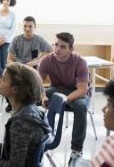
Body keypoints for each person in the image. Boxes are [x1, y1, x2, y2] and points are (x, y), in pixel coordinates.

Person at [38, 32, 89, 163]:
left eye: (62, 47)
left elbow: (82, 90)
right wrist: (43, 97)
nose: (57, 49)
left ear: (71, 49)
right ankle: (37, 139)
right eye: (56, 45)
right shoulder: (47, 60)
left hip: (76, 92)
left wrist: (65, 100)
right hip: (57, 88)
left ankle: (76, 150)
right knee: (32, 96)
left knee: (81, 107)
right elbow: (37, 85)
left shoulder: (80, 62)